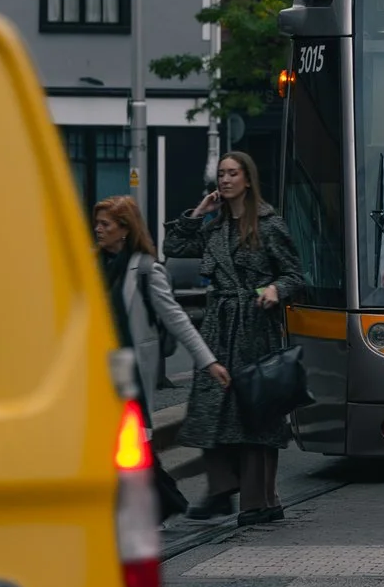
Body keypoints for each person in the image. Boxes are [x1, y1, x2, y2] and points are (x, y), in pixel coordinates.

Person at [165, 151, 306, 527]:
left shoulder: (269, 224)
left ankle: (260, 499)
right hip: (218, 327)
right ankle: (222, 487)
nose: (225, 180)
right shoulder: (214, 226)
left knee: (255, 410)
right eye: (221, 175)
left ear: (247, 178)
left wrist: (276, 289)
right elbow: (175, 248)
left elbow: (295, 275)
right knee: (210, 408)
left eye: (232, 174)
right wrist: (198, 211)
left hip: (254, 328)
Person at [93, 195, 226, 520]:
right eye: (97, 223)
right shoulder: (90, 265)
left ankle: (159, 504)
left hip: (130, 374)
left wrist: (208, 362)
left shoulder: (145, 270)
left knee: (131, 445)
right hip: (96, 371)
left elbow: (177, 320)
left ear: (124, 229)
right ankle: (161, 503)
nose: (97, 229)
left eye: (105, 224)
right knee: (124, 446)